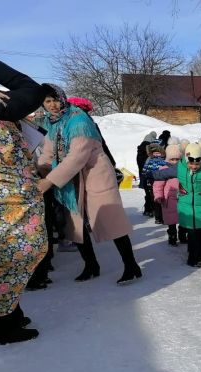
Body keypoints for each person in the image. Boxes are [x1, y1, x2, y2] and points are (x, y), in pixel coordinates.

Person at [37, 83, 142, 285]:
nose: (51, 105)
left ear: (62, 98)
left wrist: (49, 180)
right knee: (75, 222)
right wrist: (39, 170)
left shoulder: (78, 119)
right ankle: (91, 265)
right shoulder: (53, 123)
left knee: (110, 219)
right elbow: (48, 153)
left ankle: (131, 265)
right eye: (47, 101)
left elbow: (78, 155)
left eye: (54, 99)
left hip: (95, 173)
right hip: (70, 177)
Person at [0, 58, 48, 344]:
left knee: (13, 253)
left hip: (16, 199)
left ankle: (8, 314)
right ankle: (3, 321)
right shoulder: (2, 106)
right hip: (13, 201)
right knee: (22, 251)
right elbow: (31, 88)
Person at [153, 143, 201, 266]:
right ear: (187, 160)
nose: (194, 166)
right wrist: (153, 175)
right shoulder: (180, 167)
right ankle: (193, 257)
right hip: (186, 206)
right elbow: (164, 173)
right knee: (193, 234)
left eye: (197, 164)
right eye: (191, 163)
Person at [152, 143, 182, 246]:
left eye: (177, 159)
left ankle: (182, 235)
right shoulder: (163, 170)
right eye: (172, 159)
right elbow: (158, 185)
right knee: (172, 221)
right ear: (167, 158)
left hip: (182, 198)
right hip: (169, 199)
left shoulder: (183, 169)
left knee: (183, 219)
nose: (174, 162)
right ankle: (172, 236)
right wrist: (158, 195)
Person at [137, 131, 157, 216]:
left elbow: (139, 163)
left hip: (143, 174)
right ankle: (152, 210)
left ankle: (147, 209)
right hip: (150, 174)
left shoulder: (140, 150)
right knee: (152, 192)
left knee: (147, 192)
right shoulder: (150, 149)